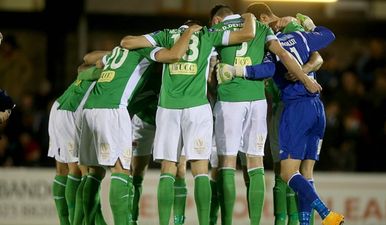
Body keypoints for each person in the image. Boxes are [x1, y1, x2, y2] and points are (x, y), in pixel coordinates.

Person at [122, 14, 256, 225]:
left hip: (168, 109)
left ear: (182, 26)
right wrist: (249, 16)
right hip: (197, 108)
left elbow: (127, 41)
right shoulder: (209, 34)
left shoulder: (167, 34)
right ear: (197, 26)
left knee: (168, 168)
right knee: (200, 169)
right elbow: (248, 34)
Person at [216, 13, 344, 225]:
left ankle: (326, 214)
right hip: (317, 109)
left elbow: (266, 69)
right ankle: (305, 223)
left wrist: (235, 70)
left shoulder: (270, 45)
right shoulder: (301, 36)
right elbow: (328, 36)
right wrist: (310, 25)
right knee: (306, 172)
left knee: (287, 173)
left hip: (295, 110)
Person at [79, 25, 201, 225]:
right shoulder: (146, 52)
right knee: (121, 171)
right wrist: (188, 32)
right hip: (114, 109)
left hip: (91, 108)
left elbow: (87, 62)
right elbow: (173, 55)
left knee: (95, 172)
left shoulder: (120, 53)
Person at [48, 51, 108, 225]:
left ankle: (68, 222)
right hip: (72, 112)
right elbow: (83, 65)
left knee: (63, 169)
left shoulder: (89, 72)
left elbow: (81, 67)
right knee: (83, 171)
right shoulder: (111, 71)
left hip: (60, 107)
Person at [125, 62, 188, 225]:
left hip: (170, 120)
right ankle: (132, 218)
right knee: (137, 171)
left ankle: (178, 221)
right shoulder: (145, 74)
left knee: (179, 169)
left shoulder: (181, 74)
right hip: (144, 121)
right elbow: (130, 103)